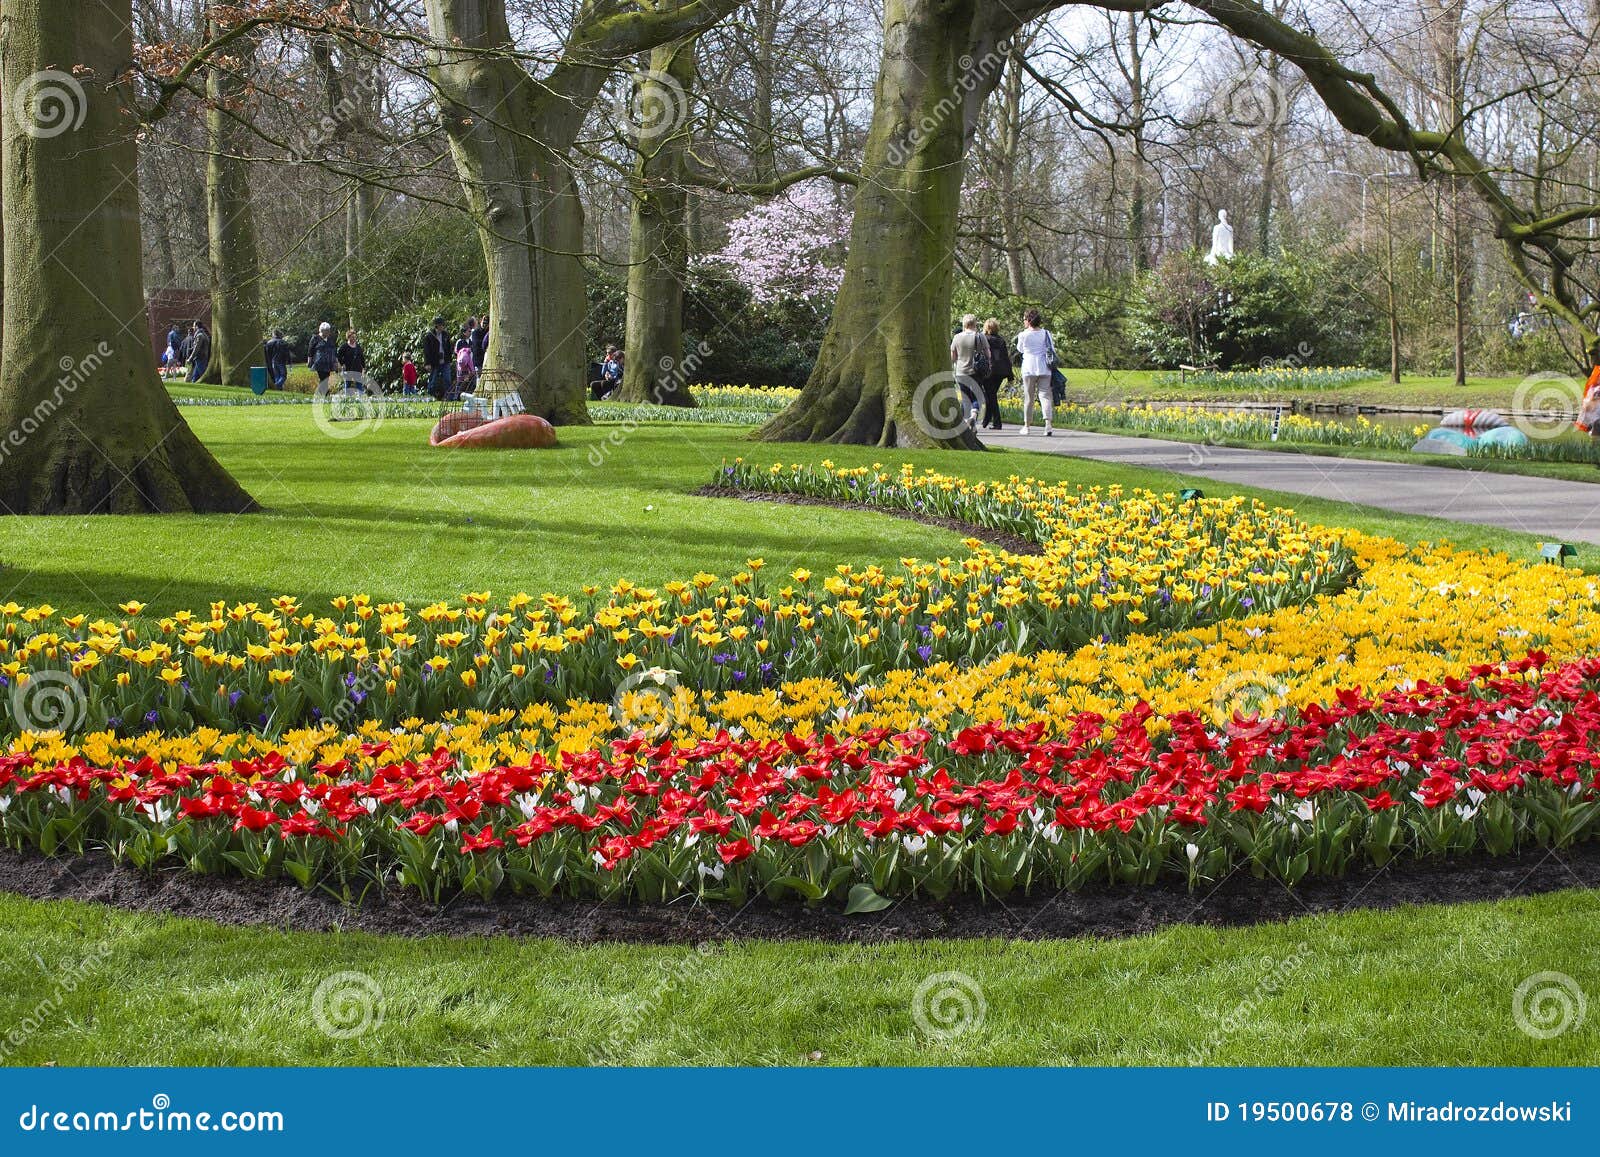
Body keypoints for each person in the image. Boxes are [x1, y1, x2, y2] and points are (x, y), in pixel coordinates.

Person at [1015, 308, 1055, 436]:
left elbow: (1020, 349)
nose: (1023, 322)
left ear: (1028, 320)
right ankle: (1048, 424)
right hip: (1045, 367)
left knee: (1029, 398)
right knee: (1045, 396)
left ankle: (1027, 426)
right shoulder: (1046, 333)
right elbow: (1051, 348)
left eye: (1024, 319)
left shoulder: (1023, 335)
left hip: (1029, 368)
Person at [949, 314, 986, 424]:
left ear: (964, 324)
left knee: (965, 396)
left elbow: (953, 357)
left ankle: (966, 420)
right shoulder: (980, 336)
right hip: (976, 371)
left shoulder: (957, 337)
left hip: (961, 371)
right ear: (975, 324)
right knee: (976, 395)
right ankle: (974, 415)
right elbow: (988, 353)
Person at [979, 319, 1014, 430]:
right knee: (991, 395)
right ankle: (986, 420)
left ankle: (997, 422)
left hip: (988, 371)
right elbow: (1005, 358)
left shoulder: (984, 339)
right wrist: (1010, 375)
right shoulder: (1001, 340)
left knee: (990, 396)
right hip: (1000, 372)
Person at [422, 315, 452, 399]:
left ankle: (448, 397)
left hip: (445, 361)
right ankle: (430, 396)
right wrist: (427, 363)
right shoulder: (429, 336)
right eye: (441, 325)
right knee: (433, 380)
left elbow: (449, 347)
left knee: (447, 379)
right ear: (437, 325)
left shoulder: (446, 335)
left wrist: (449, 359)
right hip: (435, 362)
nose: (443, 326)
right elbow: (426, 351)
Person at [308, 322, 339, 391]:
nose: (328, 332)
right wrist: (309, 360)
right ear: (322, 330)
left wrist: (336, 361)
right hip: (319, 362)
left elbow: (334, 350)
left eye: (329, 330)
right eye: (327, 330)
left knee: (326, 378)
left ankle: (322, 393)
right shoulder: (315, 338)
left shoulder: (330, 339)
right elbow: (310, 350)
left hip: (328, 362)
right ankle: (325, 393)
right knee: (323, 378)